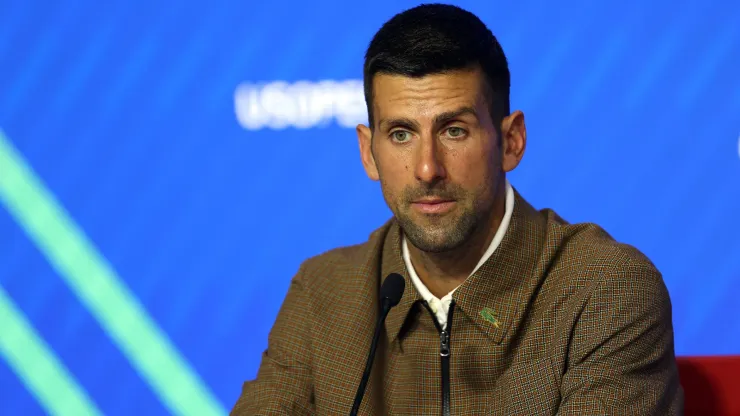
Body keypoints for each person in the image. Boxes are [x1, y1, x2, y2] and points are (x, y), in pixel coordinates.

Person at [231, 3, 683, 415]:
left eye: (454, 131)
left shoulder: (605, 291)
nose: (427, 168)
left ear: (511, 141)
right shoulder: (324, 293)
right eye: (402, 134)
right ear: (368, 153)